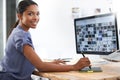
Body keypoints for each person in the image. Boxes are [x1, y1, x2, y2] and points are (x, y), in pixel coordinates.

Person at [0, 0, 91, 80]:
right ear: (19, 16)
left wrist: (51, 63)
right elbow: (41, 67)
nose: (35, 17)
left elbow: (31, 62)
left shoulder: (20, 31)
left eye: (37, 14)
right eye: (30, 14)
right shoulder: (21, 35)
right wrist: (74, 66)